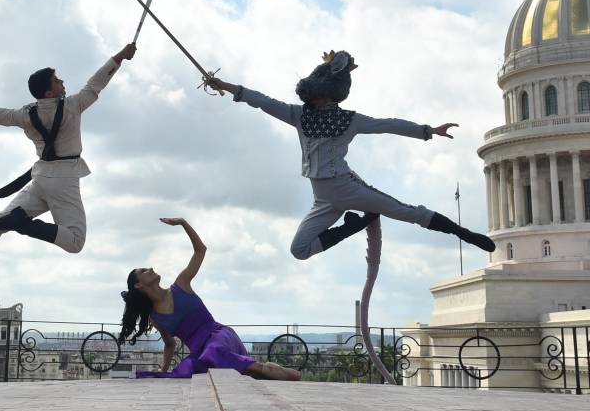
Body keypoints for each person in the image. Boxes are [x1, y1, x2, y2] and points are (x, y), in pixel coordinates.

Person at [204, 50, 496, 260]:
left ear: (331, 94)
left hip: (347, 187)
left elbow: (388, 125)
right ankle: (352, 225)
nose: (316, 99)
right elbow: (261, 101)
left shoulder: (350, 120)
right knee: (299, 250)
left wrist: (428, 130)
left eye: (321, 94)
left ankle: (463, 234)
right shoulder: (298, 115)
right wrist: (225, 85)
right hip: (322, 197)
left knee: (408, 212)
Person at [0, 43, 136, 286]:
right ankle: (23, 225)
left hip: (41, 179)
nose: (62, 82)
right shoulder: (72, 106)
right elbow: (96, 84)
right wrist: (120, 58)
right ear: (50, 92)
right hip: (64, 180)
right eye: (57, 80)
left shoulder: (26, 114)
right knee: (75, 242)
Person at [120, 217, 300, 380]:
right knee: (246, 372)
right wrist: (164, 370)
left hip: (219, 336)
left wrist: (183, 223)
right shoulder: (155, 316)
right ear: (138, 285)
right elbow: (169, 344)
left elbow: (200, 251)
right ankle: (265, 369)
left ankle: (279, 372)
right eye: (143, 271)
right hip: (201, 351)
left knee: (214, 353)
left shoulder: (180, 285)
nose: (150, 268)